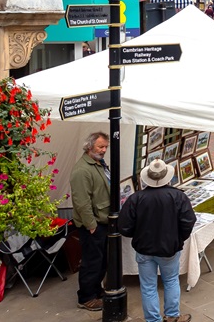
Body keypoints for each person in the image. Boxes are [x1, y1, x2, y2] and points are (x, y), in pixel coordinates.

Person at [117, 159, 196, 322]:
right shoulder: (178, 196)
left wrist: (137, 234)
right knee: (171, 280)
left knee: (148, 287)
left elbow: (124, 226)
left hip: (144, 248)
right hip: (169, 248)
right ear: (167, 177)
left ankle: (153, 320)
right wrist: (179, 238)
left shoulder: (136, 198)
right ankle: (172, 316)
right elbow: (188, 221)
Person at [70, 131, 111, 311]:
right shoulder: (81, 170)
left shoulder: (98, 163)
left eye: (105, 147)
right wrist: (91, 225)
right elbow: (81, 202)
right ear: (89, 147)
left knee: (101, 261)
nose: (103, 150)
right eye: (100, 147)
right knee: (92, 262)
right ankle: (86, 298)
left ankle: (96, 290)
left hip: (102, 220)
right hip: (93, 224)